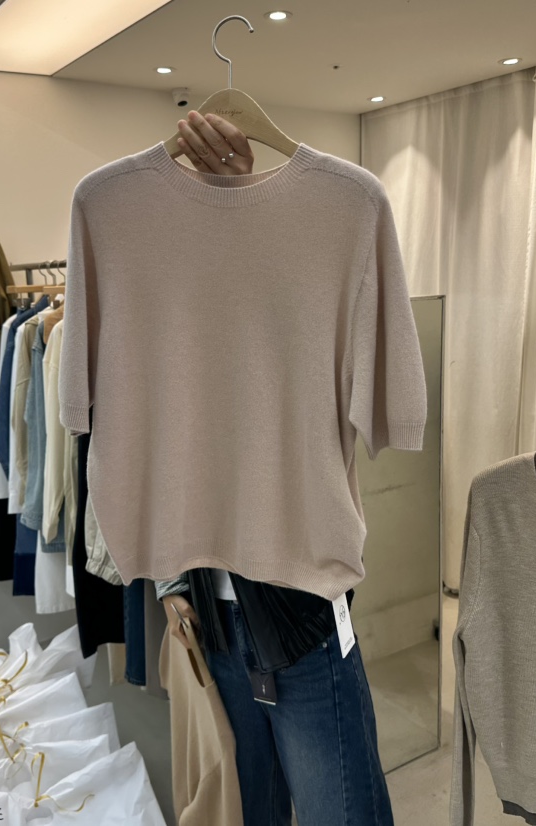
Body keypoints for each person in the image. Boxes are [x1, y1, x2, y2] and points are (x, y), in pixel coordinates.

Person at [159, 110, 395, 826]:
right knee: (247, 810)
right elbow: (161, 429)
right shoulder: (163, 262)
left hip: (301, 604)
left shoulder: (339, 216)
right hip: (209, 610)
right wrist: (169, 575)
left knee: (340, 812)